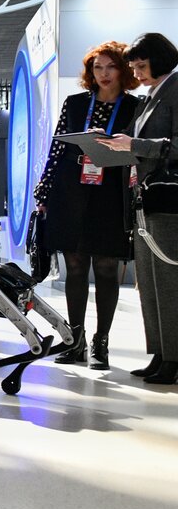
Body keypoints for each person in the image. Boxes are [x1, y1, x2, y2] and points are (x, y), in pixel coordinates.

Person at [33, 41, 140, 369]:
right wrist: (45, 189)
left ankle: (101, 343)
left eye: (110, 67)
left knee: (107, 267)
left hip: (111, 192)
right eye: (98, 68)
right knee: (75, 266)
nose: (104, 74)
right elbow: (56, 148)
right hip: (71, 188)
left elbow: (140, 153)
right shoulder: (76, 103)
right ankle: (75, 339)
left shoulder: (135, 107)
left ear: (122, 70)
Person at [101, 32, 178, 384]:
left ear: (159, 59)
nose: (138, 73)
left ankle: (173, 358)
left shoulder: (175, 88)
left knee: (167, 282)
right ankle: (160, 354)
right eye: (134, 67)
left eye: (142, 65)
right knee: (148, 281)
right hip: (146, 198)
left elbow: (171, 146)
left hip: (168, 200)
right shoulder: (151, 96)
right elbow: (135, 141)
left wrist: (136, 144)